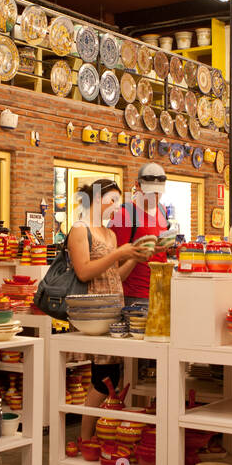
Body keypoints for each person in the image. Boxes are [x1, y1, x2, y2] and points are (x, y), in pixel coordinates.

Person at [66, 178, 144, 430]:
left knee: (110, 375)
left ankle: (91, 433)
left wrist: (134, 257)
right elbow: (84, 272)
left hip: (113, 310)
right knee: (104, 377)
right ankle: (85, 435)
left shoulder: (110, 233)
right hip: (93, 313)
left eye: (118, 202)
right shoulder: (80, 229)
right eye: (112, 200)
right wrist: (118, 254)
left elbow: (114, 276)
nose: (116, 206)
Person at [110, 163, 171, 311]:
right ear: (137, 185)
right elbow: (114, 261)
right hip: (135, 296)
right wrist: (141, 253)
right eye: (150, 192)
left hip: (162, 291)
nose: (155, 197)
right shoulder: (124, 214)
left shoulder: (162, 210)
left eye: (158, 192)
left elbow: (160, 254)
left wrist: (170, 250)